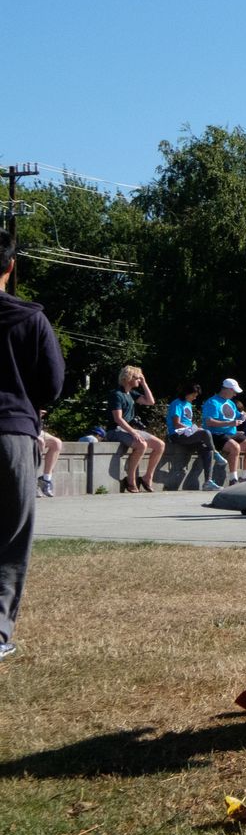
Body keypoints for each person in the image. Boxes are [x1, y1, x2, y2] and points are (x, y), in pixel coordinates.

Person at [1, 230, 65, 664]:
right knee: (10, 536)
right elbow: (53, 384)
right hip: (11, 432)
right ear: (10, 266)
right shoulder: (30, 319)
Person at [107, 365, 164, 492]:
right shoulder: (116, 394)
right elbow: (118, 419)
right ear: (129, 378)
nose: (139, 380)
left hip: (127, 429)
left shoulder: (131, 394)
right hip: (115, 430)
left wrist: (144, 383)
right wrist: (133, 432)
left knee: (160, 445)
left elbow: (150, 402)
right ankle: (130, 479)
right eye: (137, 378)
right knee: (141, 445)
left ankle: (147, 477)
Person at [165, 381, 223, 491]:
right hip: (177, 434)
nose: (195, 398)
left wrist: (194, 428)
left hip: (187, 433)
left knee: (207, 449)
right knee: (206, 433)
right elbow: (177, 423)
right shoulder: (177, 404)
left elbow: (187, 423)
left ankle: (208, 482)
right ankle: (216, 453)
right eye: (193, 395)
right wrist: (194, 428)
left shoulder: (188, 404)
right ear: (187, 393)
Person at [202, 379, 246, 484]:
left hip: (231, 434)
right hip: (216, 434)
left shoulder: (231, 403)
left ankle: (245, 478)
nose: (235, 394)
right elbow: (209, 422)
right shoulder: (212, 402)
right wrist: (230, 423)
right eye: (234, 391)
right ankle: (233, 479)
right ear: (227, 389)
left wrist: (245, 415)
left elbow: (238, 415)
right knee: (235, 447)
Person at [37, 420, 61, 498]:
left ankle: (45, 479)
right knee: (40, 443)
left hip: (36, 428)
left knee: (56, 443)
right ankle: (31, 481)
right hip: (20, 426)